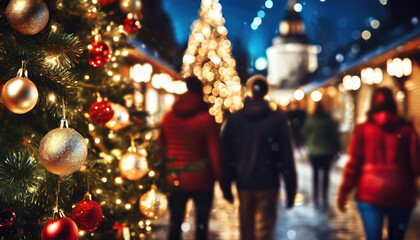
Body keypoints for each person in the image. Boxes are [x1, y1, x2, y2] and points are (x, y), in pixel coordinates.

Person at [337, 87, 420, 240]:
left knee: (373, 237)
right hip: (401, 191)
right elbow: (416, 165)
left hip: (370, 192)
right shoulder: (406, 130)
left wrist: (344, 193)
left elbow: (353, 165)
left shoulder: (362, 129)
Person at [220, 75, 297, 240]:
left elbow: (226, 154)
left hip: (244, 182)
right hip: (268, 182)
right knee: (265, 231)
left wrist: (226, 184)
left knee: (246, 230)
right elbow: (286, 156)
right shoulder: (277, 121)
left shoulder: (235, 120)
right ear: (266, 92)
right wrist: (291, 188)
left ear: (249, 92)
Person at [158, 76, 220, 240]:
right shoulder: (207, 119)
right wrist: (222, 177)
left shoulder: (168, 117)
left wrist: (164, 174)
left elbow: (160, 149)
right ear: (200, 91)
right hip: (202, 179)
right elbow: (215, 152)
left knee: (175, 224)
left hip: (176, 178)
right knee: (201, 227)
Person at [302, 102, 340, 209]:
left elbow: (304, 133)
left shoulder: (310, 121)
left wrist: (310, 142)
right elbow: (334, 135)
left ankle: (315, 195)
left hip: (314, 151)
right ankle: (324, 194)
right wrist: (337, 147)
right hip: (327, 151)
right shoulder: (328, 121)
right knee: (326, 174)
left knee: (315, 173)